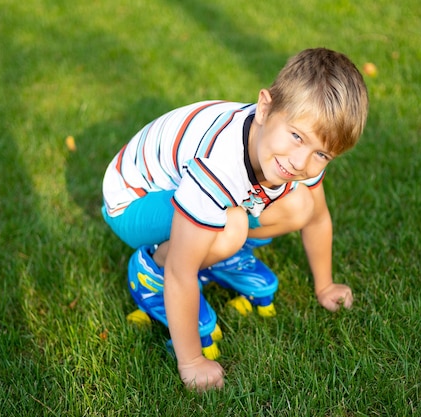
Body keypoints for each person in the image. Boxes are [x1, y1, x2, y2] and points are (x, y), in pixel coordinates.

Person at [101, 48, 368, 391]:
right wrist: (192, 361)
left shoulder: (287, 155)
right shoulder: (221, 162)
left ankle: (213, 254)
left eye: (321, 154)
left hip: (191, 196)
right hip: (132, 202)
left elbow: (315, 218)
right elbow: (182, 271)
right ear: (265, 107)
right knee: (232, 227)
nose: (300, 162)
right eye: (297, 136)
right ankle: (152, 271)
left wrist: (325, 285)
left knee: (301, 205)